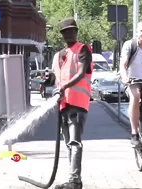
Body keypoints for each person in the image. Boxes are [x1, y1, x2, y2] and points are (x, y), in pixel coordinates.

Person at [52, 18, 93, 189]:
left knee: (74, 143)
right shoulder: (59, 55)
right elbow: (57, 78)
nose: (69, 33)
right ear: (62, 35)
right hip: (63, 105)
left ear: (76, 31)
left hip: (77, 104)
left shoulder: (83, 50)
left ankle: (74, 180)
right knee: (69, 144)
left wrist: (64, 86)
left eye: (71, 30)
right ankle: (74, 180)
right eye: (65, 31)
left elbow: (82, 73)